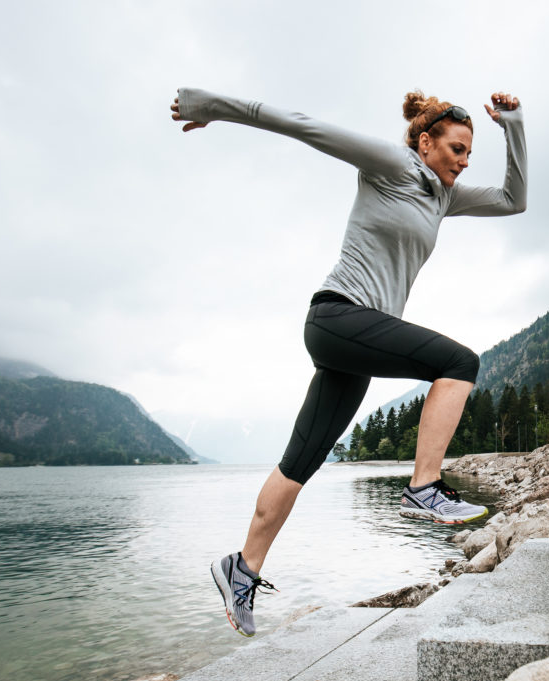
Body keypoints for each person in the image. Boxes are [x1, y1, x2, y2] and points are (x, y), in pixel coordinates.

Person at [170, 86, 527, 637]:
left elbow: (512, 200)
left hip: (358, 345)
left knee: (300, 463)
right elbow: (300, 122)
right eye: (457, 149)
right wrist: (211, 106)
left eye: (469, 154)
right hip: (337, 317)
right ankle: (424, 486)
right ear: (426, 142)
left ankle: (241, 567)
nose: (463, 161)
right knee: (458, 363)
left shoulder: (444, 197)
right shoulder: (392, 163)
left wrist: (515, 126)